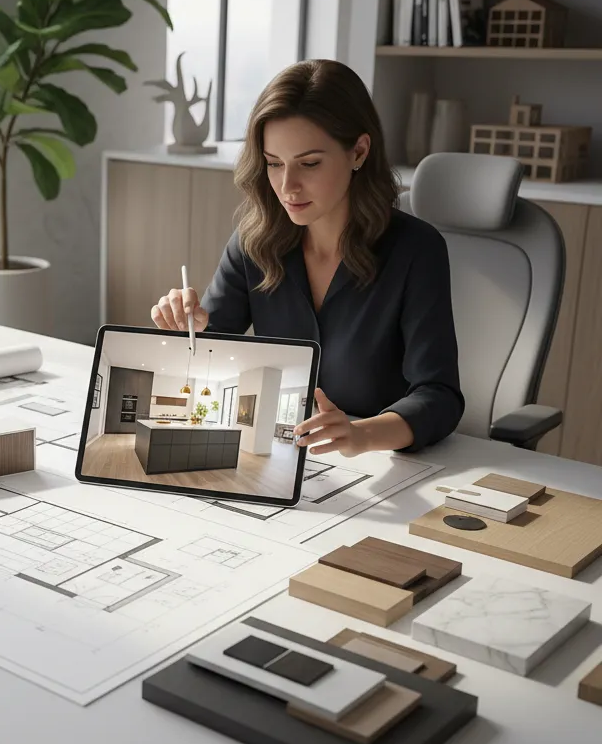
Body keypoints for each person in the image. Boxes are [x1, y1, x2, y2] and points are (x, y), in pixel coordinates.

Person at [150, 58, 463, 456]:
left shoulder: (417, 250)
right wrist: (186, 328)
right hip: (277, 456)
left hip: (380, 466)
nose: (287, 186)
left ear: (359, 152)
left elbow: (440, 395)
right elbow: (212, 354)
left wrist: (362, 434)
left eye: (309, 163)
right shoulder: (254, 242)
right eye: (273, 164)